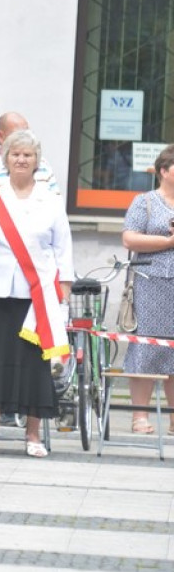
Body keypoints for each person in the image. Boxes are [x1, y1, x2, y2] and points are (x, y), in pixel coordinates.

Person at [0, 129, 73, 457]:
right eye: (15, 154)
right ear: (6, 159)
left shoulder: (51, 202)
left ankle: (33, 435)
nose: (22, 159)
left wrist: (62, 301)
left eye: (28, 155)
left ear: (37, 161)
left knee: (33, 365)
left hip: (34, 296)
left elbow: (63, 252)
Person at [121, 144, 174, 433]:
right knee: (146, 348)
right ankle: (139, 416)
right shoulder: (145, 202)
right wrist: (167, 243)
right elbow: (129, 239)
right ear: (164, 171)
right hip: (151, 283)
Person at [0, 111, 59, 217]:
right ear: (0, 136)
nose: (24, 138)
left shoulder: (43, 166)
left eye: (27, 134)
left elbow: (57, 209)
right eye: (18, 134)